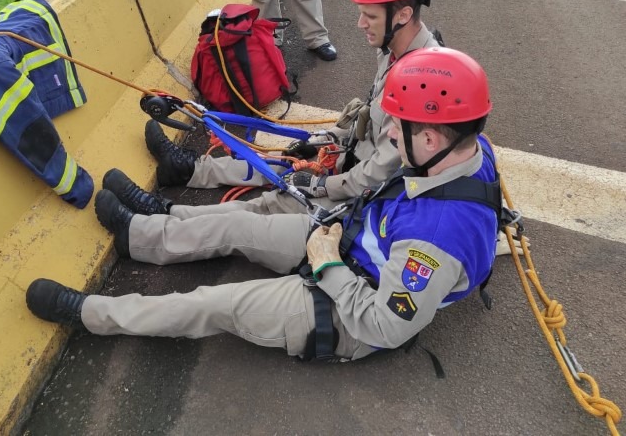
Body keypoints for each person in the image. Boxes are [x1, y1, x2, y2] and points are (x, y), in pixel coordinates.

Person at [26, 47, 499, 361]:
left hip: (348, 305)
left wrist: (328, 265)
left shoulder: (433, 242)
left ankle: (91, 313)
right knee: (240, 225)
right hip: (346, 240)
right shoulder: (458, 153)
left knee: (210, 304)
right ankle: (139, 234)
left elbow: (384, 326)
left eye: (399, 128)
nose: (390, 136)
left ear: (433, 136)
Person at [131, 0, 443, 226]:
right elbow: (371, 129)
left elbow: (379, 172)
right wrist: (321, 140)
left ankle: (166, 217)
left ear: (402, 14)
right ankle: (188, 169)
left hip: (366, 195)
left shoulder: (420, 83)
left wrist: (322, 185)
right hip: (353, 163)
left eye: (369, 16)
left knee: (268, 206)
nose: (360, 24)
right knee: (284, 161)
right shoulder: (395, 51)